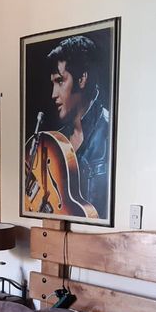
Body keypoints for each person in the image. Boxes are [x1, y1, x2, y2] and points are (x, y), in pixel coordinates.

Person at [46, 35, 110, 218]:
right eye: (53, 83)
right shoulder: (56, 142)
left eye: (60, 81)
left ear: (82, 79)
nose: (53, 94)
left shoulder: (110, 132)